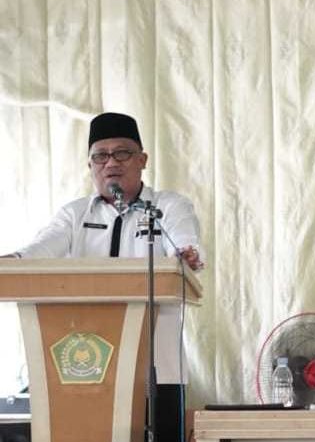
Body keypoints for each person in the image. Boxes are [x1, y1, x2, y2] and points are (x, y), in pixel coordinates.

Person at [6, 112, 204, 442]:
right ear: (90, 165)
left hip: (158, 368)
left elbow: (184, 242)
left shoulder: (166, 206)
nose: (111, 162)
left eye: (122, 153)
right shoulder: (74, 214)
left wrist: (186, 254)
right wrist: (13, 261)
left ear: (142, 160)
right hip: (86, 369)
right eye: (100, 155)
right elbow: (40, 249)